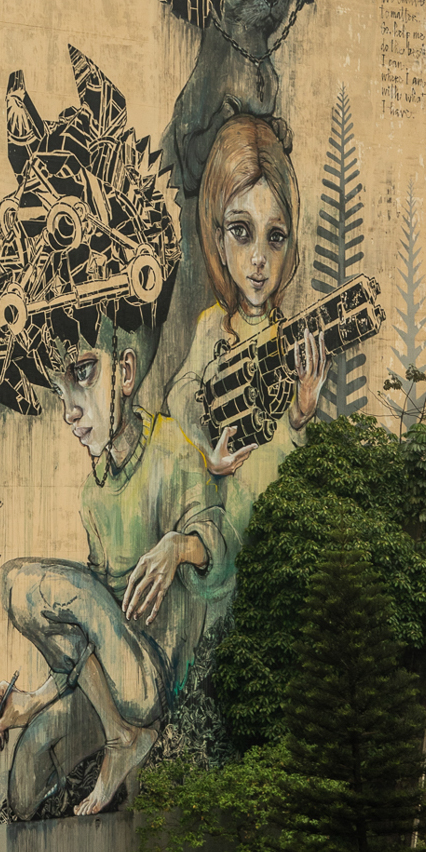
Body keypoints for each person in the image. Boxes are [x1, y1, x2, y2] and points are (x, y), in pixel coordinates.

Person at [0, 312, 233, 818]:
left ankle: (130, 734)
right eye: (59, 393)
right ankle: (120, 737)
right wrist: (32, 701)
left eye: (83, 374)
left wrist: (178, 547)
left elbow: (220, 546)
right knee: (26, 781)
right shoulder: (93, 493)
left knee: (16, 583)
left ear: (124, 372)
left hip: (155, 679)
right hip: (116, 683)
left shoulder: (174, 450)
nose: (71, 411)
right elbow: (92, 619)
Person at [166, 115, 326, 547]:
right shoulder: (211, 328)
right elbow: (179, 392)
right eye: (241, 232)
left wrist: (302, 410)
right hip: (215, 529)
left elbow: (289, 455)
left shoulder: (291, 341)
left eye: (275, 237)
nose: (259, 259)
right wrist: (208, 447)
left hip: (271, 533)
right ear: (218, 239)